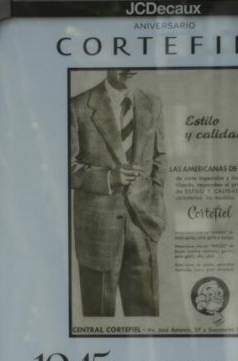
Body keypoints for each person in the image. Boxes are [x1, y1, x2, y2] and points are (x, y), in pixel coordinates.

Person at [70, 69, 167, 317]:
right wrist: (109, 178)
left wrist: (154, 195)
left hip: (143, 224)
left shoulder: (153, 103)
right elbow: (65, 167)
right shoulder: (77, 106)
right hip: (97, 232)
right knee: (99, 317)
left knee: (146, 319)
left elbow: (160, 157)